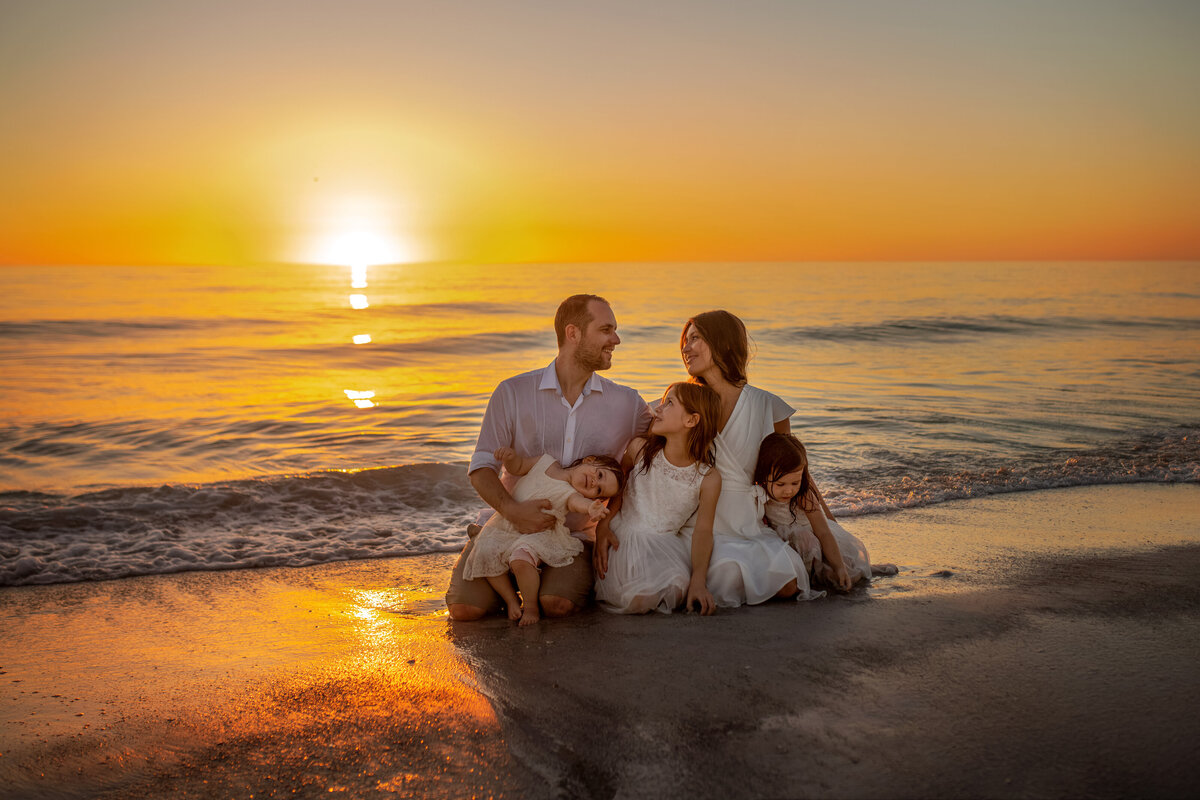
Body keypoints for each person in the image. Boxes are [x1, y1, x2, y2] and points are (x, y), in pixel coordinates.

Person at [445, 294, 652, 621]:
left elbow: (668, 434)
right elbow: (481, 468)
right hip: (507, 526)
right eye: (606, 330)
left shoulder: (627, 403)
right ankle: (495, 559)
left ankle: (532, 585)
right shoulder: (513, 392)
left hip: (571, 537)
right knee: (465, 610)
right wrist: (514, 510)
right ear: (573, 334)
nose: (616, 339)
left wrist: (610, 519)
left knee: (557, 605)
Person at [671, 309, 825, 605]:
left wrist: (826, 523)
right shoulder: (679, 404)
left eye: (695, 339)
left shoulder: (768, 405)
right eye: (684, 341)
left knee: (787, 584)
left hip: (747, 524)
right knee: (727, 576)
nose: (685, 348)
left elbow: (796, 472)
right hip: (696, 524)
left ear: (724, 343)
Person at [595, 383, 722, 615]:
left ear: (691, 421)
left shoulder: (708, 478)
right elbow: (618, 492)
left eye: (669, 403)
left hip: (664, 546)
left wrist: (698, 579)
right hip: (623, 538)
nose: (658, 409)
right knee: (638, 596)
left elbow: (703, 531)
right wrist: (602, 526)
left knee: (676, 585)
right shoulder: (639, 449)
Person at [463, 449, 624, 625]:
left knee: (521, 559)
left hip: (537, 534)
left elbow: (579, 504)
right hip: (506, 524)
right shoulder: (546, 462)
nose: (594, 483)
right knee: (485, 552)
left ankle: (530, 606)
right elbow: (519, 466)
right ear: (590, 460)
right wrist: (510, 458)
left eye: (598, 490)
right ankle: (511, 599)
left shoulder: (571, 494)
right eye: (599, 475)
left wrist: (591, 508)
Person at [753, 432, 868, 589]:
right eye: (781, 484)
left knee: (836, 575)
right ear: (765, 475)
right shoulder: (760, 493)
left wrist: (839, 567)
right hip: (787, 544)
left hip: (815, 543)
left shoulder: (803, 496)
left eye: (795, 482)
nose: (788, 491)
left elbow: (823, 532)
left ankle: (835, 572)